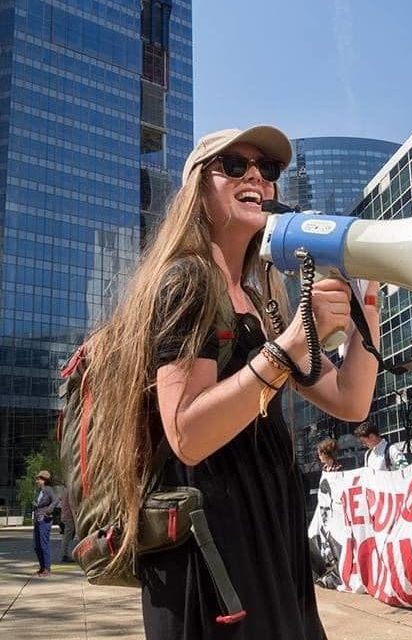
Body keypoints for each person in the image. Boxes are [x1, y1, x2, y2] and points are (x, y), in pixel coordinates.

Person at [80, 125, 380, 639]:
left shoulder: (267, 298)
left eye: (269, 170)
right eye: (236, 166)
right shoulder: (186, 281)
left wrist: (365, 305)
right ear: (199, 187)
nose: (257, 177)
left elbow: (349, 401)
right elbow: (188, 436)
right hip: (211, 541)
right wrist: (289, 346)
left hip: (267, 527)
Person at [33, 470, 58, 577]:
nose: (37, 481)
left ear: (44, 480)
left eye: (38, 479)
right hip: (37, 520)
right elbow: (39, 504)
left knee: (44, 544)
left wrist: (48, 510)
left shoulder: (48, 490)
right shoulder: (40, 492)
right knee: (36, 545)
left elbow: (56, 500)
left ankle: (47, 568)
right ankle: (42, 567)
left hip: (44, 520)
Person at [60, 490, 76, 562]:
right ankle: (65, 555)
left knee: (65, 536)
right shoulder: (69, 493)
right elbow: (72, 506)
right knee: (67, 537)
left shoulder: (64, 492)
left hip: (64, 517)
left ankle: (65, 554)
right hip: (69, 517)